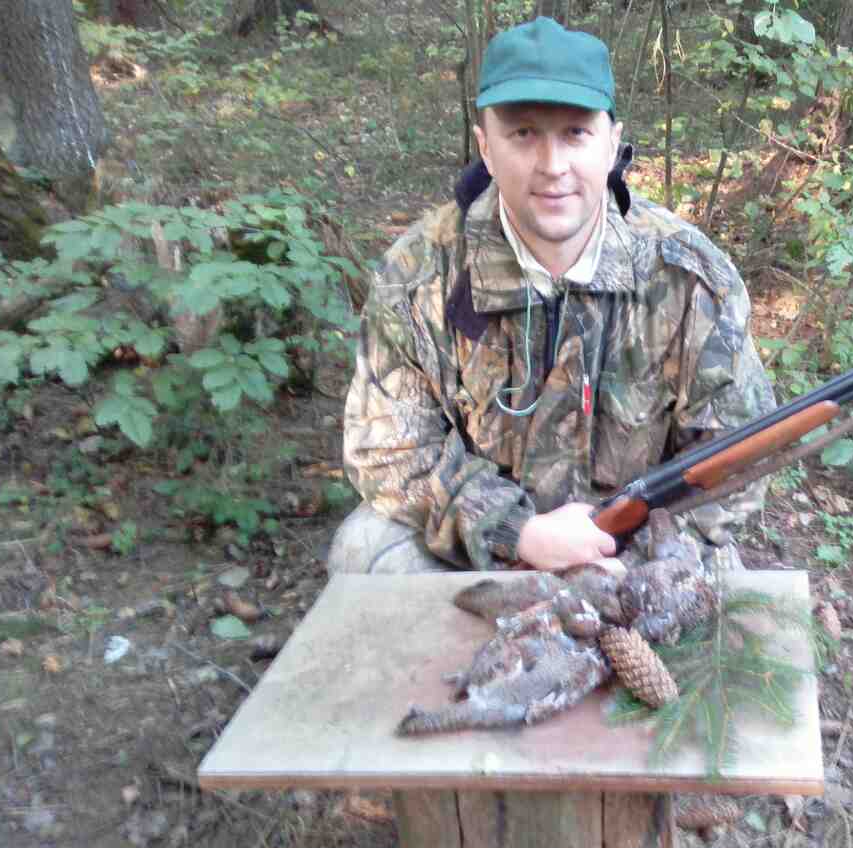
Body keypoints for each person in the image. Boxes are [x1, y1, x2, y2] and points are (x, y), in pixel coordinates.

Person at [328, 16, 775, 576]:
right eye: (523, 134)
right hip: (483, 550)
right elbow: (387, 449)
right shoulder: (421, 273)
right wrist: (517, 532)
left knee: (727, 588)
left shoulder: (690, 278)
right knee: (364, 548)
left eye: (575, 133)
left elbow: (735, 462)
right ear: (485, 147)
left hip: (635, 556)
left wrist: (617, 559)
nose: (553, 166)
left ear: (611, 144)